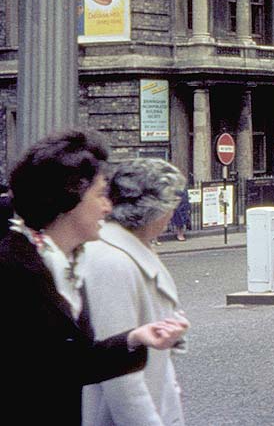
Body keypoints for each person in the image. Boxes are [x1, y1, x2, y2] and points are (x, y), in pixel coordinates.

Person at [0, 129, 189, 425]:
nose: (108, 207)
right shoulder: (12, 270)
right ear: (70, 196)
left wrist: (134, 338)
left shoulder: (62, 263)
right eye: (100, 194)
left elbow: (69, 362)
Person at [80, 157, 189, 426]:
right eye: (170, 206)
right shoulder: (111, 260)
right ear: (152, 210)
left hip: (155, 393)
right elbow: (120, 376)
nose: (171, 215)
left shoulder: (132, 246)